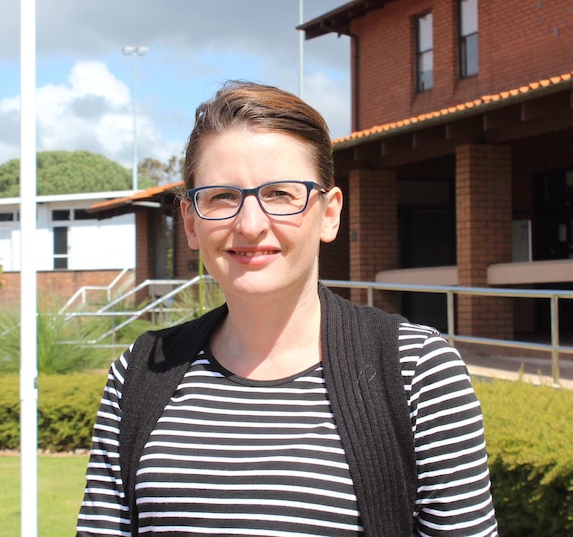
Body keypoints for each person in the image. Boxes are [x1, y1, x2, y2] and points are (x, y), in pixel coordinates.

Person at [76, 81, 498, 537]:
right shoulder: (140, 374)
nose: (251, 225)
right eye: (221, 196)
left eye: (281, 193)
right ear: (191, 222)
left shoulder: (417, 372)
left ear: (329, 213)